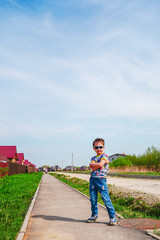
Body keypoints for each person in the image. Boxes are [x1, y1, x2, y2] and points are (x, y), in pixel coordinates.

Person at [87, 138, 116, 225]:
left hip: (101, 180)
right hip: (93, 180)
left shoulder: (104, 156)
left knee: (106, 199)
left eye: (100, 147)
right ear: (93, 148)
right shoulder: (93, 157)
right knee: (93, 199)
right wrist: (94, 165)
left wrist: (94, 165)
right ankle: (94, 215)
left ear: (104, 147)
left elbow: (99, 165)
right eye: (96, 147)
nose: (98, 149)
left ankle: (112, 216)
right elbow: (92, 166)